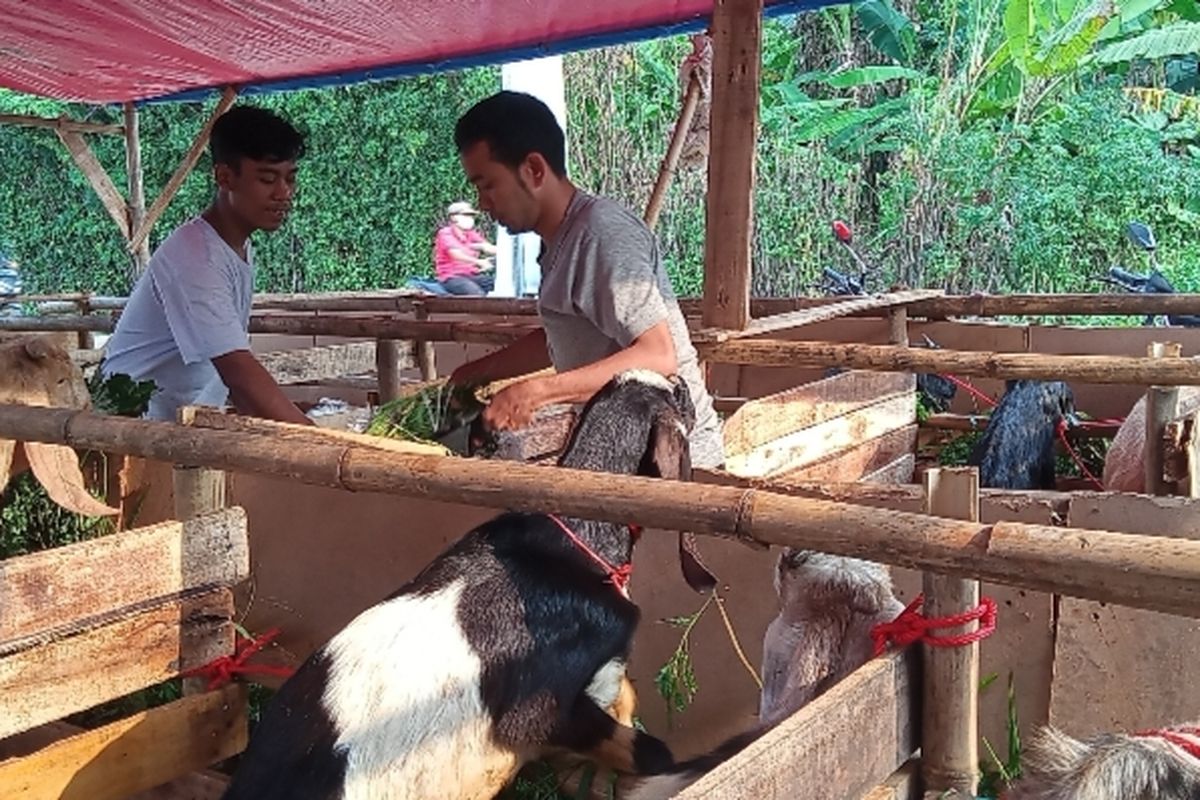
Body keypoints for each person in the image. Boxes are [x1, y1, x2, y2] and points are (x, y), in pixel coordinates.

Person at [448, 90, 724, 468]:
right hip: (621, 451)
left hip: (674, 463)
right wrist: (474, 374)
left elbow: (657, 355)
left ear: (533, 170)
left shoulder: (600, 235)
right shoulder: (559, 241)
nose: (482, 203)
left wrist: (534, 393)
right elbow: (564, 337)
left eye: (487, 185)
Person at [101, 104, 314, 426]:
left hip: (182, 429)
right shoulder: (196, 256)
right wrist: (315, 443)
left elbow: (238, 383)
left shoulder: (237, 246)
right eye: (268, 179)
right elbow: (239, 373)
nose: (284, 193)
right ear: (225, 177)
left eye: (290, 178)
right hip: (133, 431)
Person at [433, 200, 497, 296]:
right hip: (452, 277)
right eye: (466, 215)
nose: (470, 219)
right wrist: (479, 262)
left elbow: (487, 247)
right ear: (454, 217)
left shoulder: (470, 234)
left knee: (500, 285)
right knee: (477, 295)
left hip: (471, 275)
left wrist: (504, 252)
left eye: (471, 216)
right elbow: (456, 254)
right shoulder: (445, 233)